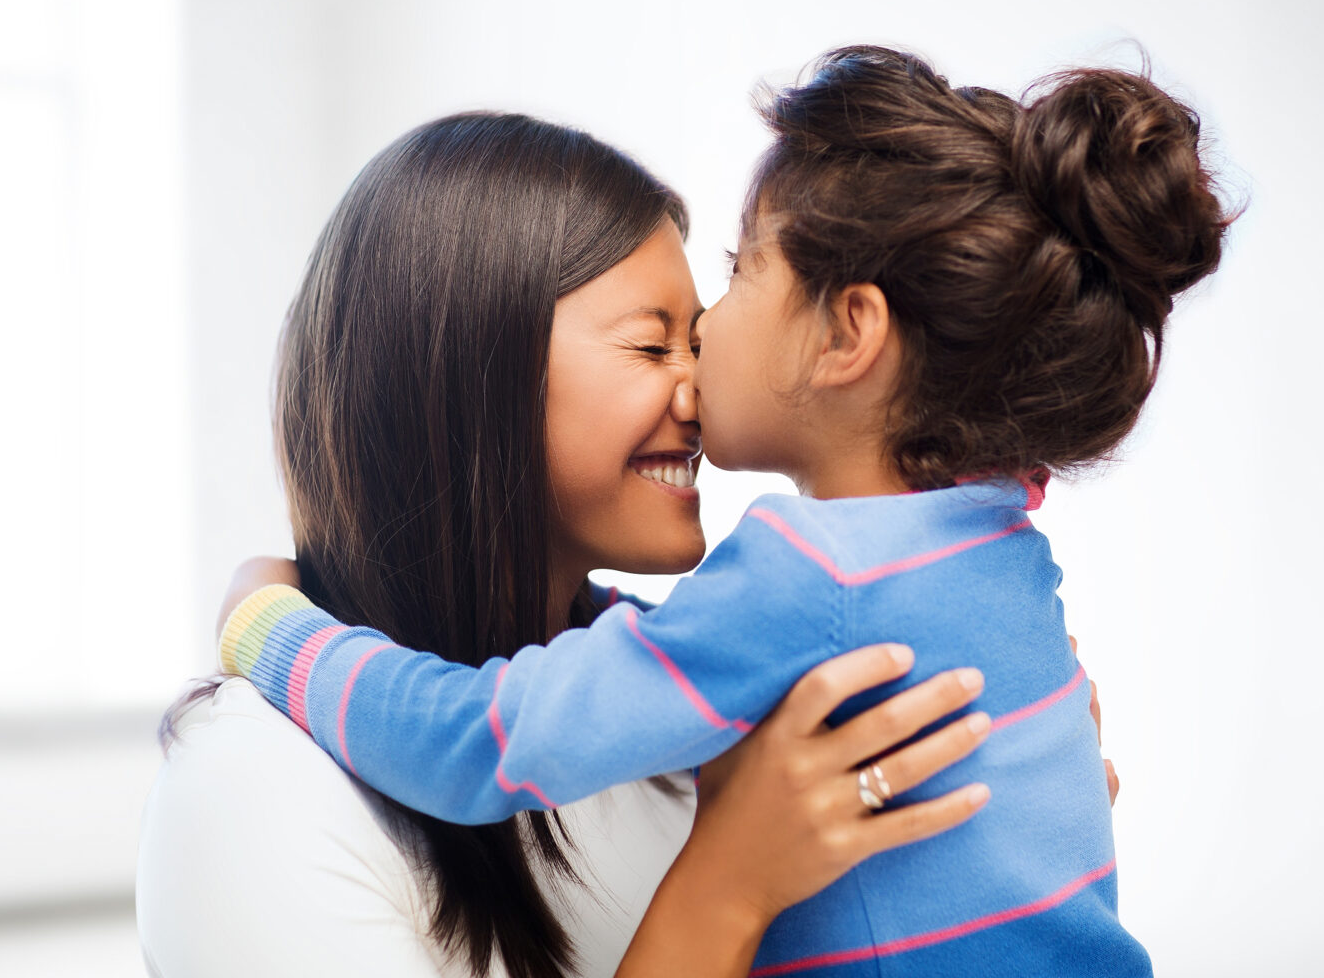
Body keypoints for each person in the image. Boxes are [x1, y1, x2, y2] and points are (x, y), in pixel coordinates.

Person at [216, 47, 1223, 975]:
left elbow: (477, 743)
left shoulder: (805, 571)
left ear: (848, 334)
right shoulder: (999, 540)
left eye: (740, 275)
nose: (697, 366)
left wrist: (270, 628)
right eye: (654, 345)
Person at [139, 110, 1028, 978]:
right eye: (653, 347)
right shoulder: (251, 787)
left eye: (699, 339)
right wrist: (728, 884)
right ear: (469, 378)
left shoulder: (694, 731)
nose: (701, 390)